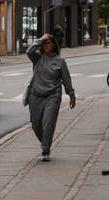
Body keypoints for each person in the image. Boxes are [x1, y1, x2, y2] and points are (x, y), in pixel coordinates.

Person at [24, 31, 76, 160]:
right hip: (36, 95)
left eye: (50, 42)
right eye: (45, 43)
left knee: (48, 122)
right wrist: (41, 39)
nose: (47, 45)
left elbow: (66, 80)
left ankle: (45, 149)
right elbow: (29, 51)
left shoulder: (60, 61)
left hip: (52, 96)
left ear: (54, 45)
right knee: (35, 124)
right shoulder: (37, 58)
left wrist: (71, 95)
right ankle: (45, 142)